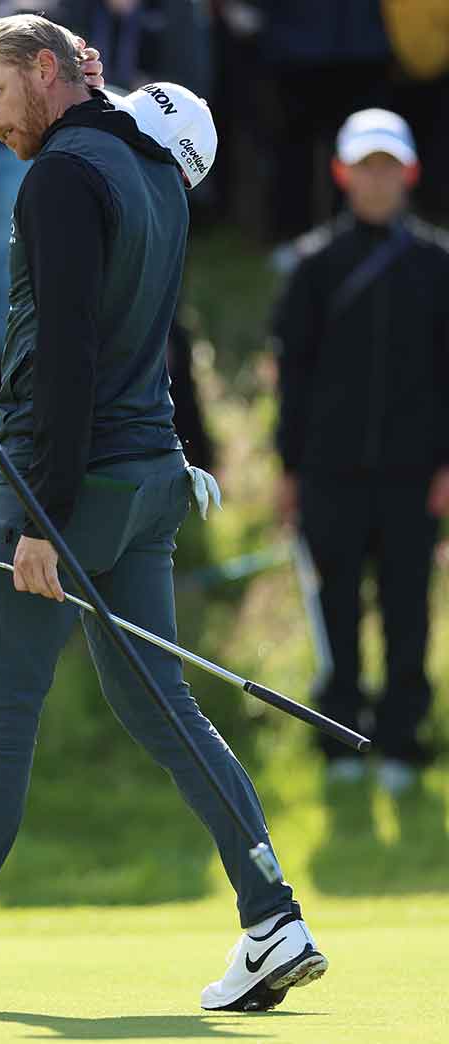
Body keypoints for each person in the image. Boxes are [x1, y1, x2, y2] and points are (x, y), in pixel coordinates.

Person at [0, 14, 329, 1015]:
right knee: (161, 706)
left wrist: (39, 515)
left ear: (48, 71)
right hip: (146, 476)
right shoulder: (155, 175)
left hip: (64, 483)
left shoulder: (59, 177)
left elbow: (70, 355)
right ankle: (273, 918)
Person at [273, 108, 449, 796]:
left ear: (410, 173)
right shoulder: (313, 265)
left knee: (408, 610)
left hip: (413, 475)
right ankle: (339, 738)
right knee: (336, 608)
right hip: (329, 472)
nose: (377, 180)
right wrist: (289, 469)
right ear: (342, 174)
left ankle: (403, 741)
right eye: (365, 167)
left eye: (388, 167)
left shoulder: (437, 264)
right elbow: (293, 375)